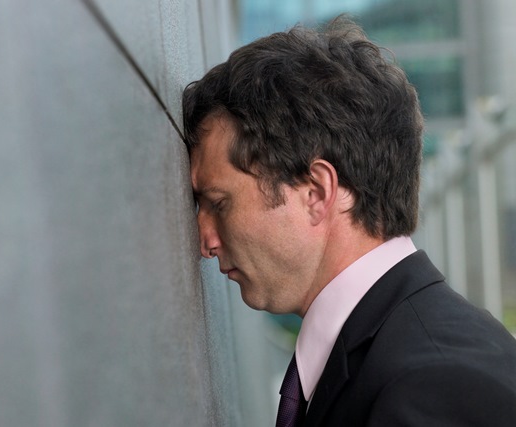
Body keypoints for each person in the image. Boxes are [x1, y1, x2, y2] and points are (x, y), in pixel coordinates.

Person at [182, 16, 516, 427]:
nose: (204, 239)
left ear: (316, 193)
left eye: (218, 202)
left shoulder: (435, 383)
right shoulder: (410, 354)